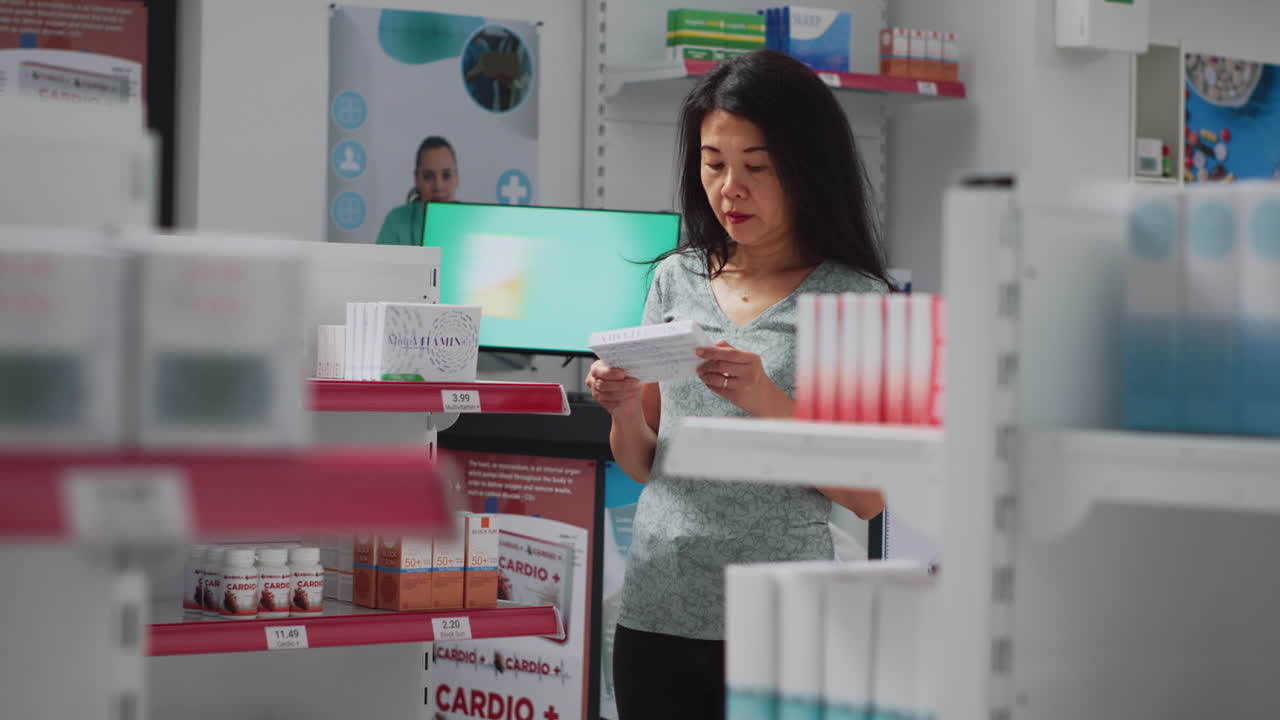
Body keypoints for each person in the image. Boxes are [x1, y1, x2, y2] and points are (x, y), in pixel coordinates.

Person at [586, 49, 891, 720]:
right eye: (714, 164)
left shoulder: (856, 299)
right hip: (657, 610)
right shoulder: (676, 279)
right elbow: (643, 462)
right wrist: (623, 409)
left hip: (783, 622)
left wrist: (769, 403)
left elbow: (869, 496)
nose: (730, 189)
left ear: (806, 168)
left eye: (755, 166)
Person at [376, 135, 458, 246]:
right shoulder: (395, 222)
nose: (438, 186)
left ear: (457, 179)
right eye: (428, 176)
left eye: (446, 175)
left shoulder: (472, 222)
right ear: (416, 179)